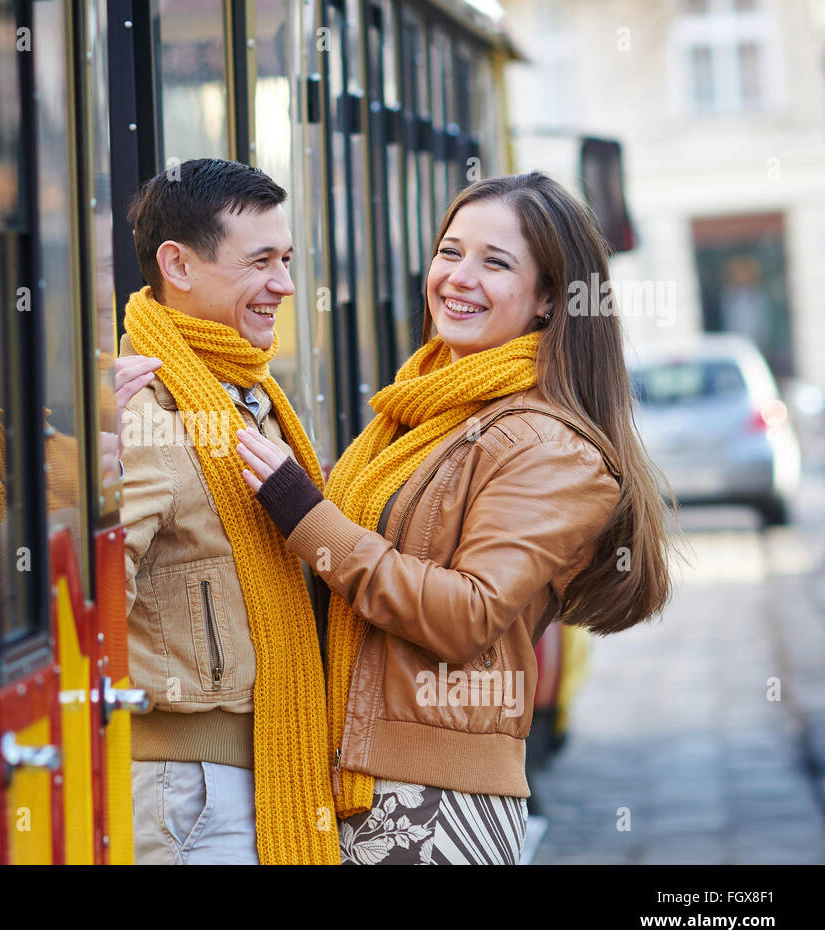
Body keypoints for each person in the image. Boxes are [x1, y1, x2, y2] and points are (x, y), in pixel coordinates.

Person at [237, 171, 673, 864]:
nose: (458, 277)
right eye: (450, 252)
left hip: (433, 802)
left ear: (548, 300)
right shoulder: (422, 411)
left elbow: (465, 615)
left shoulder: (550, 446)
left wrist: (306, 515)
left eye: (495, 263)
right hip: (365, 777)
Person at [117, 158, 339, 865]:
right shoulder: (144, 413)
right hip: (191, 792)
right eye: (261, 262)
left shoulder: (248, 395)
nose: (284, 283)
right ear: (177, 265)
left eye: (288, 260)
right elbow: (91, 597)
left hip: (248, 776)